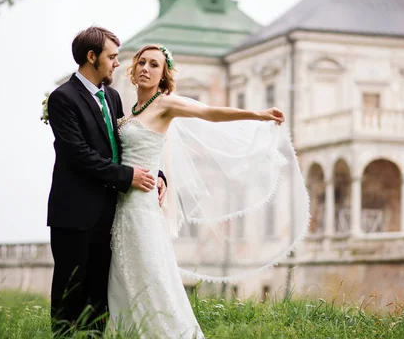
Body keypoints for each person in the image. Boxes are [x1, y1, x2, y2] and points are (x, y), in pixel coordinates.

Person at [106, 44, 293, 338]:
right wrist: (160, 175)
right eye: (142, 62)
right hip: (122, 206)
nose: (145, 68)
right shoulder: (129, 111)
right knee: (124, 278)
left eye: (154, 65)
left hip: (142, 208)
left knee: (152, 276)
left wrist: (258, 114)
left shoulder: (165, 104)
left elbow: (209, 112)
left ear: (164, 74)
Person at [45, 27, 167, 334]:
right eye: (111, 57)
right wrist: (128, 177)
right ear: (91, 57)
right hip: (73, 212)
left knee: (100, 294)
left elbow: (127, 142)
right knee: (71, 291)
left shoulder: (111, 96)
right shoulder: (63, 98)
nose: (116, 63)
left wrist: (157, 174)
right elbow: (79, 154)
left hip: (109, 211)